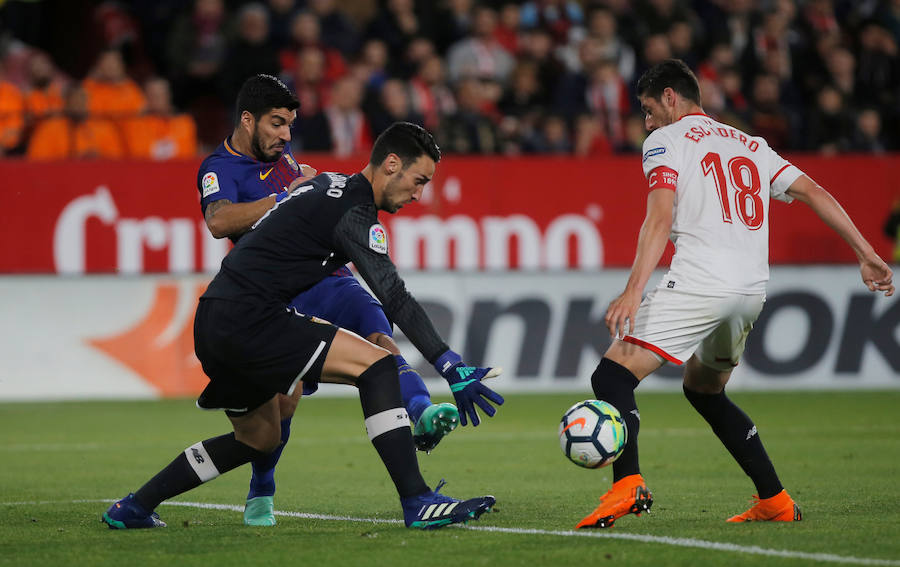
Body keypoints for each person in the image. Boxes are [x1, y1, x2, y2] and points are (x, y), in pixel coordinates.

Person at [103, 120, 505, 531]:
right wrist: (451, 366)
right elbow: (394, 296)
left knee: (258, 438)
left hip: (214, 319)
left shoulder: (328, 185)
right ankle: (418, 500)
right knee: (378, 365)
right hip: (251, 318)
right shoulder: (354, 214)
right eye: (418, 180)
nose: (419, 194)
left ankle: (135, 506)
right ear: (390, 164)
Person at [575, 59, 894, 530]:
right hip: (750, 292)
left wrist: (632, 290)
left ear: (670, 97)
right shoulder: (751, 143)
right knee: (705, 391)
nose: (645, 122)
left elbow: (659, 219)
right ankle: (776, 499)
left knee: (612, 378)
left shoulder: (665, 141)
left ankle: (627, 485)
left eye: (647, 109)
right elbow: (814, 191)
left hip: (701, 282)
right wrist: (866, 252)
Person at [195, 74, 472, 527]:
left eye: (289, 126)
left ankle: (419, 411)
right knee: (285, 402)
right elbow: (220, 220)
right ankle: (262, 485)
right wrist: (288, 195)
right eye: (277, 124)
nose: (286, 136)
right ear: (247, 121)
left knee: (378, 334)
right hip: (280, 292)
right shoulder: (218, 168)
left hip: (330, 277)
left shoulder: (284, 159)